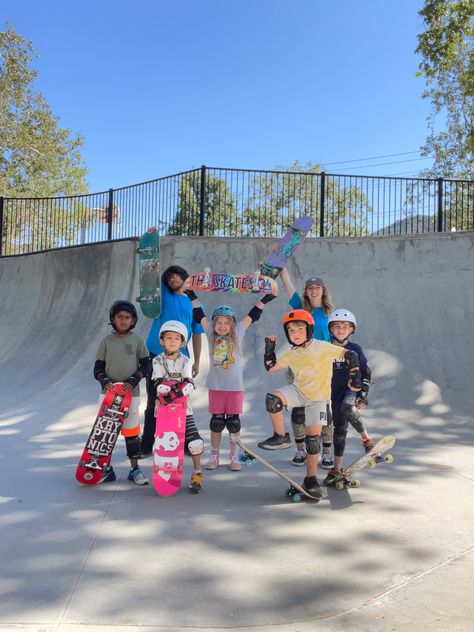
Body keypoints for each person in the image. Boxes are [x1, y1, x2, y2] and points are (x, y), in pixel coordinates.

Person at [258, 309, 362, 499]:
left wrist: (355, 376)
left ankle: (311, 479)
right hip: (298, 391)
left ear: (309, 330)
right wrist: (269, 349)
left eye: (299, 329)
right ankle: (280, 436)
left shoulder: (321, 347)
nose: (295, 334)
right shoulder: (291, 353)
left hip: (318, 399)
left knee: (313, 442)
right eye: (290, 331)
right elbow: (271, 368)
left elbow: (351, 355)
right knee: (273, 400)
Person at [186, 290, 276, 471]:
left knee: (234, 423)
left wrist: (265, 299)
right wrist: (192, 297)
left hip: (235, 387)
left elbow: (253, 315)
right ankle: (214, 455)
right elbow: (199, 315)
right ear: (214, 324)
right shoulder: (211, 333)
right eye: (219, 322)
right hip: (216, 387)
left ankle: (234, 456)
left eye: (226, 323)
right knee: (217, 423)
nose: (222, 325)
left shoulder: (239, 331)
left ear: (233, 325)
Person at [140, 247, 204, 457]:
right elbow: (151, 274)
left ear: (185, 278)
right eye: (169, 276)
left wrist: (195, 361)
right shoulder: (163, 295)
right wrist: (150, 247)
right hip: (156, 353)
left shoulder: (194, 303)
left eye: (176, 275)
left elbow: (196, 332)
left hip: (180, 357)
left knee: (179, 400)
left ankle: (183, 440)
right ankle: (147, 443)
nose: (172, 278)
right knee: (154, 399)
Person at [279, 269, 335, 469]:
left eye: (317, 288)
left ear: (323, 290)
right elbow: (289, 289)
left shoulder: (330, 314)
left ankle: (327, 452)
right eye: (310, 288)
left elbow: (336, 339)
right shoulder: (301, 309)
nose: (313, 291)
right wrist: (283, 269)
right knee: (299, 410)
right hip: (299, 367)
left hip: (322, 368)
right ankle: (301, 450)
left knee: (324, 411)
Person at [93, 300, 151, 485]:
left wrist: (134, 379)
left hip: (131, 395)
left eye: (127, 318)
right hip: (109, 395)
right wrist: (104, 380)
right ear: (113, 319)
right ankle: (106, 469)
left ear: (133, 320)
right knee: (106, 433)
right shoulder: (106, 341)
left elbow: (147, 364)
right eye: (120, 317)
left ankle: (134, 469)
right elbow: (98, 367)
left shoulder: (137, 340)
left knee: (132, 433)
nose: (123, 321)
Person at [152, 320, 205, 493]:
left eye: (176, 338)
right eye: (169, 338)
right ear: (162, 340)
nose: (172, 341)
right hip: (164, 412)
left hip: (183, 410)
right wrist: (177, 388)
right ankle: (165, 473)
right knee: (164, 445)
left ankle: (197, 474)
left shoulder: (186, 361)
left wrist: (170, 392)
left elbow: (189, 385)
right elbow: (159, 386)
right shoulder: (157, 360)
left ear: (182, 342)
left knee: (195, 443)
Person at [322, 308, 374, 487]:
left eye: (345, 326)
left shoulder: (355, 349)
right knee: (339, 432)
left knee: (348, 407)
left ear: (352, 329)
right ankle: (337, 469)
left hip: (350, 390)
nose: (341, 329)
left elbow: (365, 372)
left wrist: (363, 395)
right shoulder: (325, 349)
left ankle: (367, 441)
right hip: (330, 395)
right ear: (331, 329)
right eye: (337, 326)